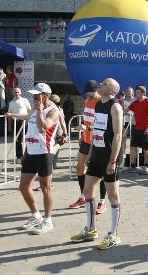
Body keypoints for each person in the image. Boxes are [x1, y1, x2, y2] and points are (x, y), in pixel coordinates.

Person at [70, 78, 124, 249]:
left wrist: (113, 160)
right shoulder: (98, 104)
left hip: (109, 157)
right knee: (87, 190)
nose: (100, 84)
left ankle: (114, 234)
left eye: (104, 83)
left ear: (112, 90)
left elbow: (118, 135)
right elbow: (96, 130)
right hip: (97, 155)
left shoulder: (115, 107)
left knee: (113, 195)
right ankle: (91, 229)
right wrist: (90, 153)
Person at [8, 83, 62, 235]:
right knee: (23, 186)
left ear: (46, 95)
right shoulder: (34, 106)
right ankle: (35, 215)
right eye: (33, 95)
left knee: (46, 188)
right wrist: (12, 115)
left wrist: (39, 112)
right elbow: (29, 124)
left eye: (37, 95)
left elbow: (42, 128)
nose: (34, 98)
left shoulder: (53, 111)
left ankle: (48, 220)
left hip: (45, 152)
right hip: (31, 151)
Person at [69, 80, 107, 212]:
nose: (89, 96)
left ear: (98, 90)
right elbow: (88, 119)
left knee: (100, 172)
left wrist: (87, 128)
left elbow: (102, 124)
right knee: (79, 167)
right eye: (88, 93)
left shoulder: (102, 103)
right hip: (87, 139)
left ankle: (102, 201)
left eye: (92, 93)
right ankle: (83, 197)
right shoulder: (87, 101)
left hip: (97, 141)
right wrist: (83, 134)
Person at [125, 85, 148, 174]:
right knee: (133, 147)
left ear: (143, 93)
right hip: (136, 128)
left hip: (145, 129)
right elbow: (125, 110)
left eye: (138, 92)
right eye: (136, 92)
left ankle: (146, 167)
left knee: (146, 149)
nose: (136, 94)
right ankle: (133, 166)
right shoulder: (135, 102)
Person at [7, 87, 32, 159]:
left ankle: (29, 155)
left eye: (18, 92)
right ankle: (19, 156)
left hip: (25, 122)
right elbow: (9, 114)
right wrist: (9, 125)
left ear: (20, 93)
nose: (17, 94)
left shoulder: (25, 100)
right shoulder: (11, 103)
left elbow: (30, 110)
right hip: (16, 123)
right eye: (15, 92)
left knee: (28, 139)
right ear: (13, 93)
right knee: (17, 140)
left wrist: (29, 119)